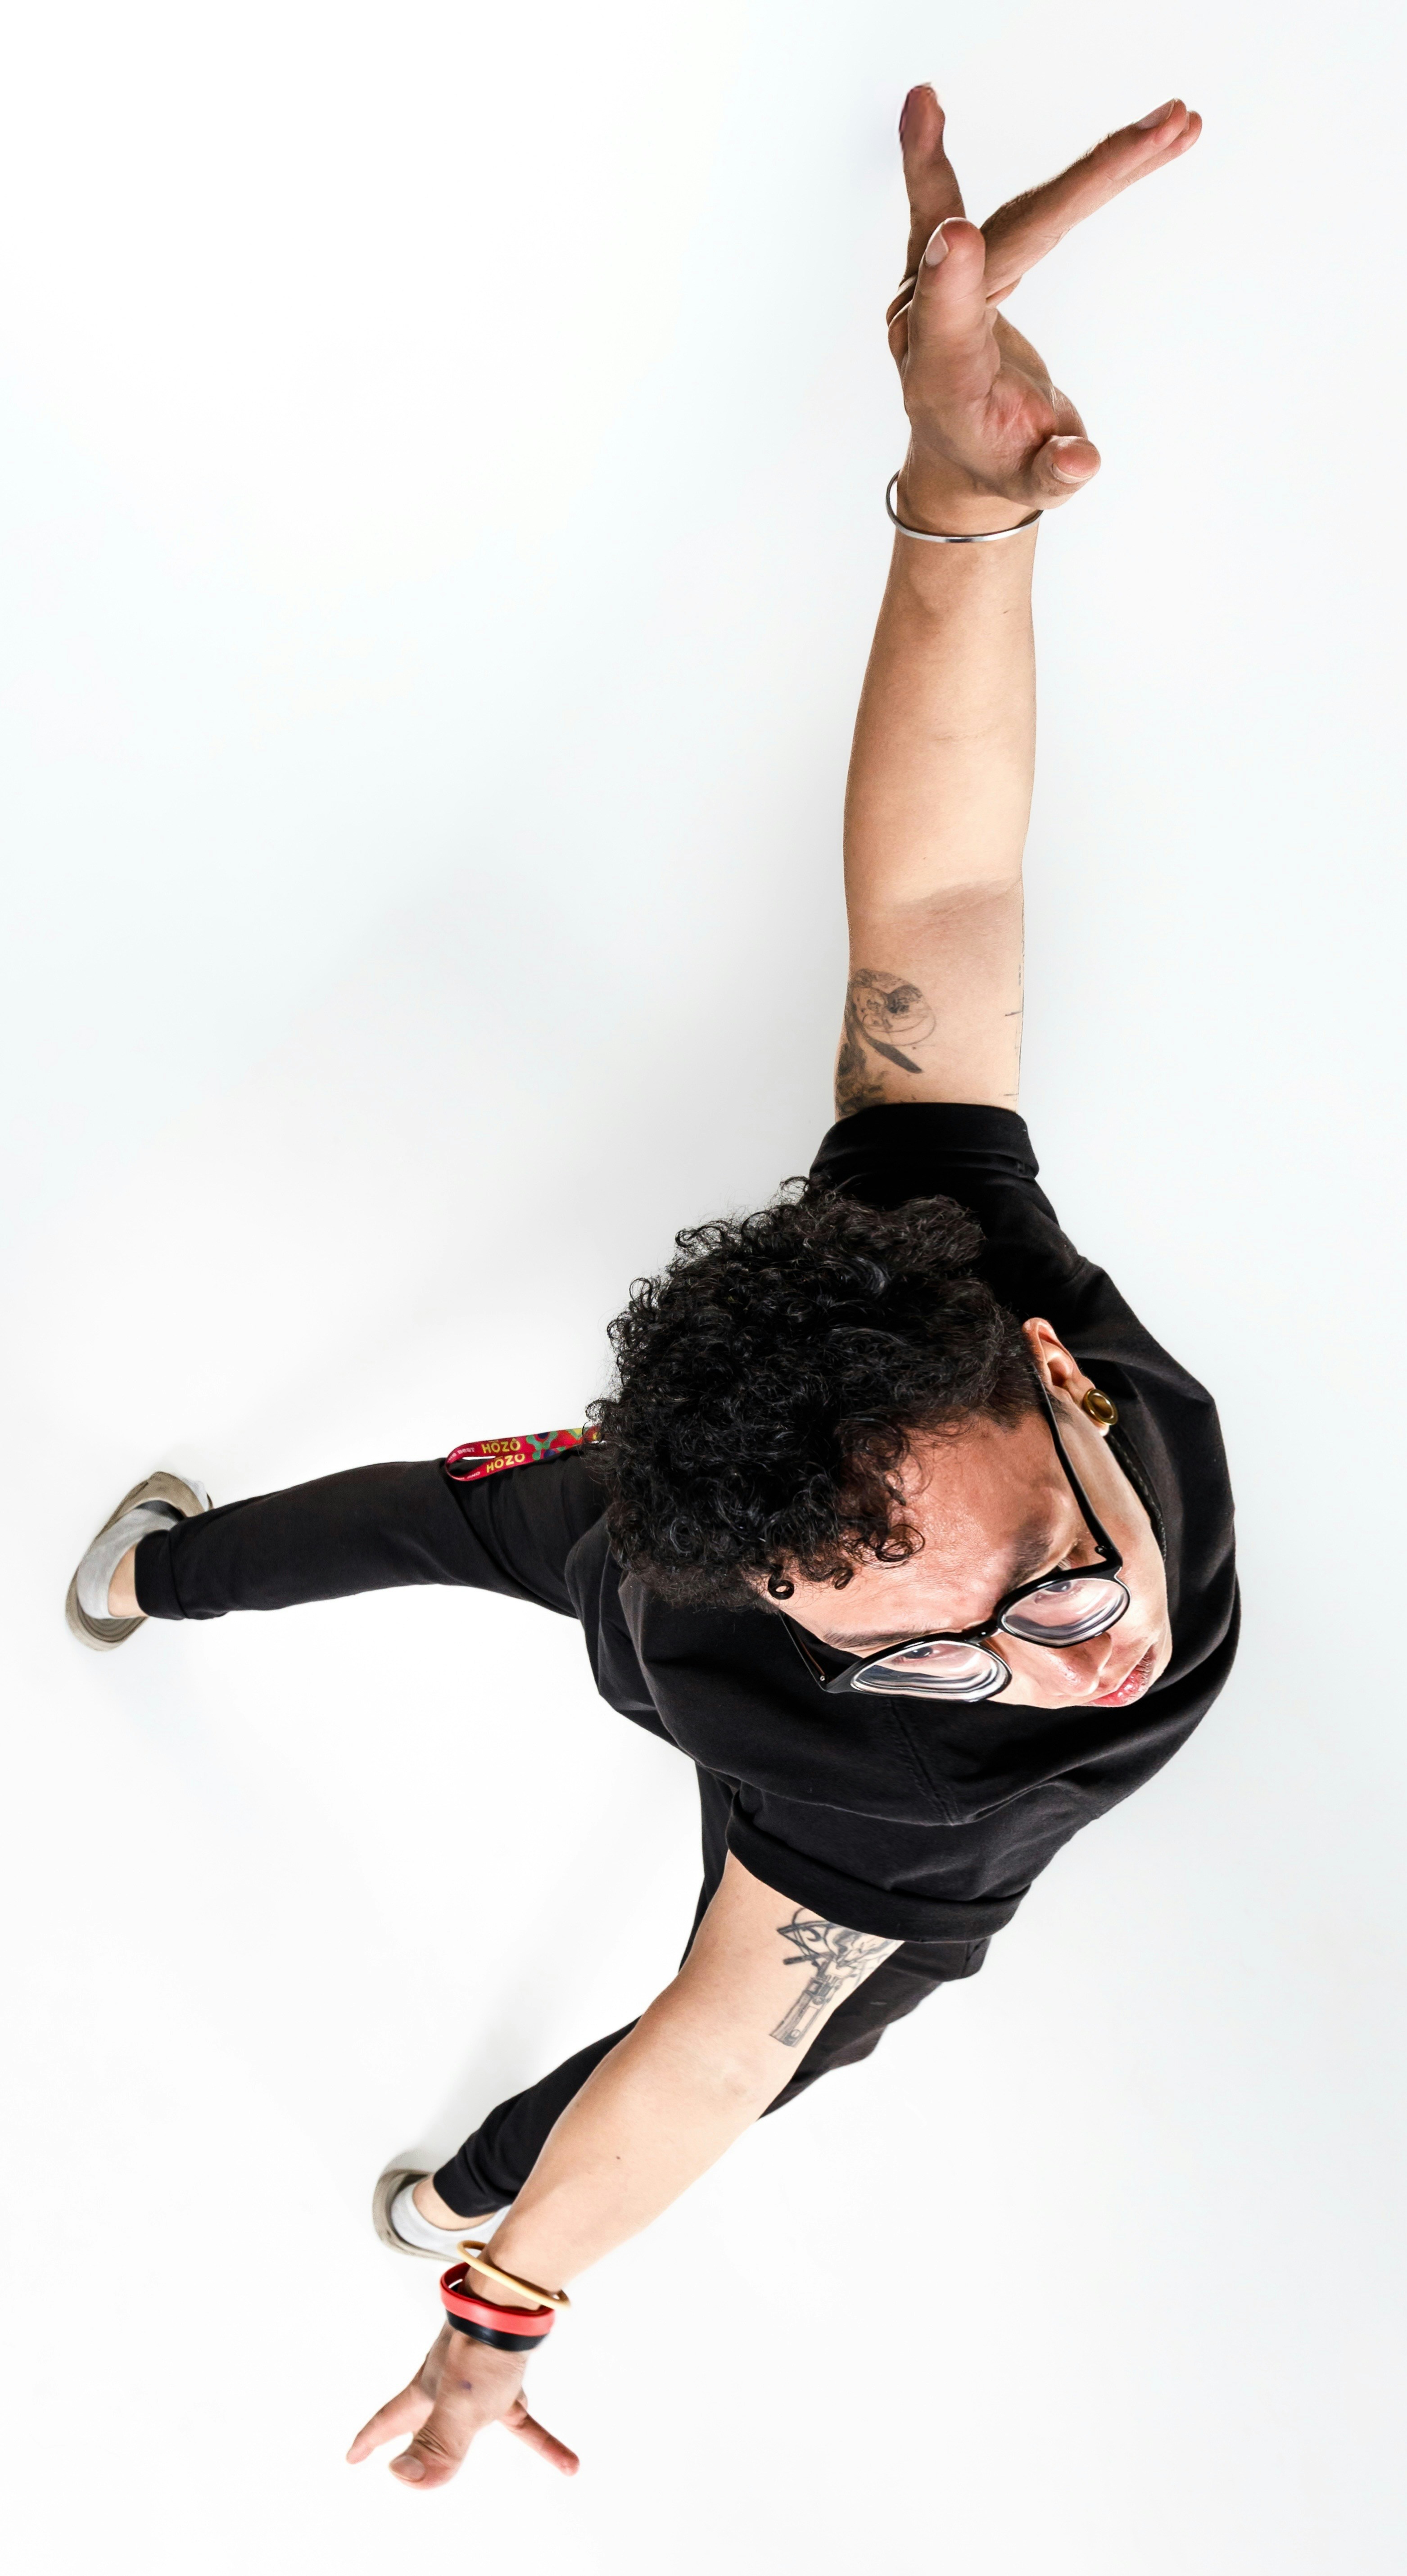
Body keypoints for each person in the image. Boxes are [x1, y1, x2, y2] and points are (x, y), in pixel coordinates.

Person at [66, 88, 1226, 2488]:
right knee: (754, 1977)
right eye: (952, 1639)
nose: (1078, 1646)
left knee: (789, 2013)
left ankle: (473, 2153)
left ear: (1030, 1363)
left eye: (1043, 1553)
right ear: (803, 1636)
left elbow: (935, 916)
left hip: (693, 1545)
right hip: (664, 1579)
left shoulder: (964, 1266)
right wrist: (506, 2316)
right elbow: (711, 2036)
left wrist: (958, 504)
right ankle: (159, 1574)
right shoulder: (863, 1790)